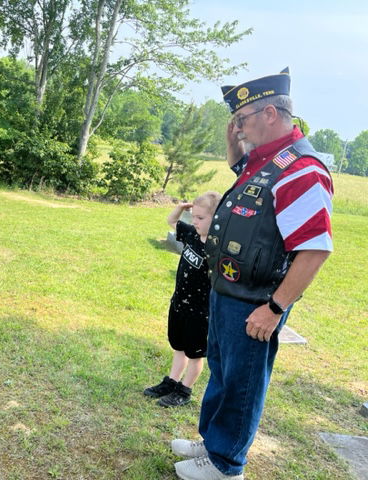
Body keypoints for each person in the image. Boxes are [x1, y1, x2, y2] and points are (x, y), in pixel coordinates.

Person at [171, 68, 334, 480]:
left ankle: (227, 465)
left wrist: (275, 307)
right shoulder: (269, 160)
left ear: (270, 115)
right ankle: (213, 444)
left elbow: (314, 251)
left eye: (241, 120)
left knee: (242, 383)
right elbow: (248, 178)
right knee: (222, 372)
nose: (238, 128)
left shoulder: (301, 169)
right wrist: (233, 143)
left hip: (256, 302)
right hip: (228, 289)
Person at [144, 192, 222, 408]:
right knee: (178, 347)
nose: (194, 222)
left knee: (194, 354)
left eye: (200, 218)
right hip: (179, 303)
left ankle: (184, 391)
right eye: (193, 216)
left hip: (200, 312)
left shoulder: (218, 248)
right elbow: (172, 221)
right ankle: (172, 381)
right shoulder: (191, 235)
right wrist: (181, 208)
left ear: (216, 219)